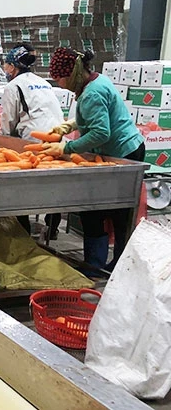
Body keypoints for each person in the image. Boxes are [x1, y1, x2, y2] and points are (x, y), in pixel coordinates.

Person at [42, 48, 145, 272]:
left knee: (107, 213)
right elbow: (96, 115)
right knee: (104, 212)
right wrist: (70, 124)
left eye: (59, 79)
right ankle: (106, 265)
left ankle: (107, 267)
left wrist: (66, 147)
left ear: (72, 74)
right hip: (126, 148)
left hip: (124, 153)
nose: (59, 84)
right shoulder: (97, 81)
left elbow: (101, 133)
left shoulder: (91, 94)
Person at [0, 44, 65, 237]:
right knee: (53, 186)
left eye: (6, 65)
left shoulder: (13, 86)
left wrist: (3, 145)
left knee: (23, 190)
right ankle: (52, 229)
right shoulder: (42, 82)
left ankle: (23, 232)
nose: (4, 69)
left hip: (33, 139)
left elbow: (8, 121)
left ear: (12, 66)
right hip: (57, 137)